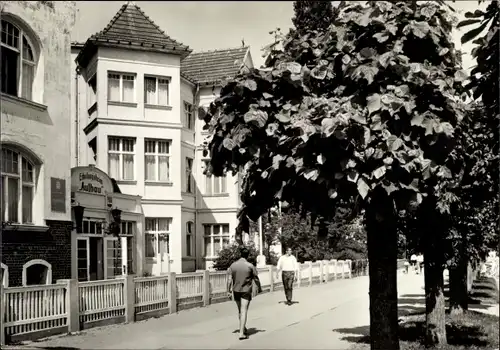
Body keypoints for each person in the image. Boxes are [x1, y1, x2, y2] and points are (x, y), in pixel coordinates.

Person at [227, 246, 262, 340]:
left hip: (236, 290)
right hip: (246, 290)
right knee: (244, 310)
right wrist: (259, 288)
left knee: (240, 310)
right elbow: (256, 278)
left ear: (240, 254)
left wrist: (228, 291)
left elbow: (229, 280)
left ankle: (243, 328)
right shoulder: (250, 266)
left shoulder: (233, 265)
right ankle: (241, 333)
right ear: (248, 255)